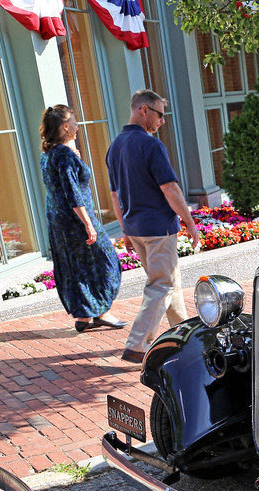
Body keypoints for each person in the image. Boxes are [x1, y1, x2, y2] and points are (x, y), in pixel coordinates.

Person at [107, 90, 200, 364]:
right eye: (160, 114)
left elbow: (115, 195)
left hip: (137, 229)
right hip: (159, 229)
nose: (162, 121)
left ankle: (185, 334)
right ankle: (137, 345)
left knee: (170, 282)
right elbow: (170, 188)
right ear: (144, 110)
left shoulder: (115, 146)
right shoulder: (151, 146)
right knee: (161, 286)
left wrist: (124, 229)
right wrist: (191, 223)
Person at [38, 105, 126, 333]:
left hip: (58, 221)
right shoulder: (64, 155)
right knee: (106, 260)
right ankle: (102, 312)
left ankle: (84, 316)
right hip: (76, 219)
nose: (78, 127)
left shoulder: (48, 155)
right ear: (66, 127)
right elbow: (72, 192)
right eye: (75, 123)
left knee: (76, 266)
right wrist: (88, 224)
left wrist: (72, 155)